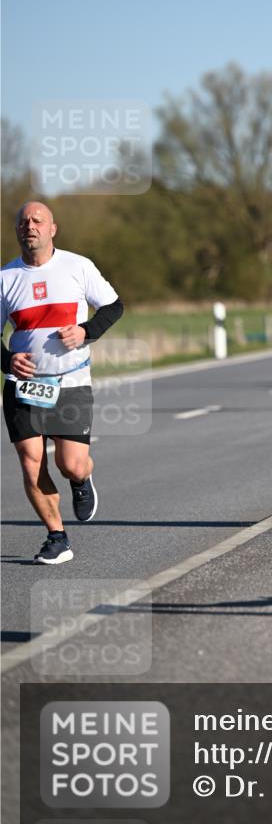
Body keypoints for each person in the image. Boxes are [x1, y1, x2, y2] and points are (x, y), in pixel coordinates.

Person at [1, 202, 123, 565]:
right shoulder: (5, 278)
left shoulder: (78, 266)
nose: (30, 226)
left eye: (38, 221)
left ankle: (81, 479)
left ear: (53, 228)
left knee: (71, 464)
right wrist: (7, 360)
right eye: (23, 222)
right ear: (17, 230)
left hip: (70, 383)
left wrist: (86, 331)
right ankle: (57, 537)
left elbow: (114, 307)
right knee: (30, 462)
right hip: (22, 386)